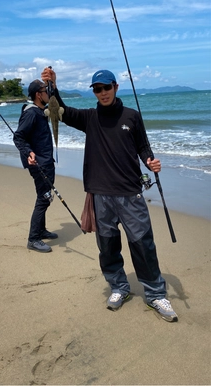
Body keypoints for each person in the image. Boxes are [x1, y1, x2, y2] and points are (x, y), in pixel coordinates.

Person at [41, 67, 178, 322]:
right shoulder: (89, 118)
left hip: (130, 193)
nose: (102, 93)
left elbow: (143, 146)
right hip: (100, 193)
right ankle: (119, 287)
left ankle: (155, 294)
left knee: (143, 244)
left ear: (116, 86)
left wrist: (150, 161)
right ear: (94, 92)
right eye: (97, 89)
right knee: (107, 245)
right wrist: (53, 85)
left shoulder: (132, 116)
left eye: (106, 87)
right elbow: (60, 110)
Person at [13, 79, 58, 253]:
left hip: (45, 161)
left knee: (44, 196)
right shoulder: (32, 113)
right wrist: (28, 153)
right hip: (39, 163)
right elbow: (18, 137)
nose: (47, 92)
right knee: (44, 198)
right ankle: (33, 239)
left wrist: (52, 84)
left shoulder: (40, 111)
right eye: (45, 90)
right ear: (38, 95)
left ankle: (41, 230)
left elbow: (53, 100)